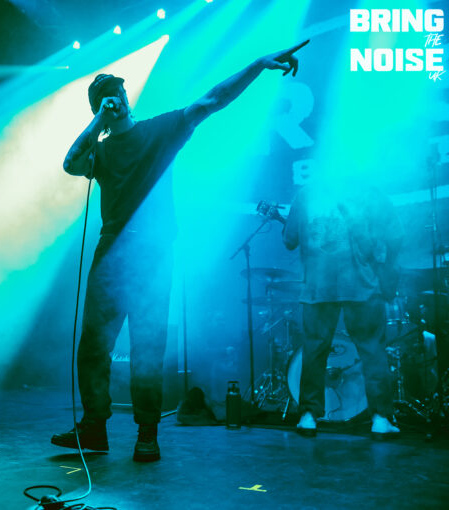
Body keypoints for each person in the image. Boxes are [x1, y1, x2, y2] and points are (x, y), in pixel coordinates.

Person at [51, 40, 309, 461]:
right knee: (93, 345)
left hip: (152, 256)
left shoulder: (159, 130)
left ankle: (147, 433)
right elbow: (70, 163)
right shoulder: (101, 149)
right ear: (100, 106)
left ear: (127, 96)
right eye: (106, 96)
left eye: (118, 91)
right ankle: (94, 427)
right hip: (111, 254)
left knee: (148, 345)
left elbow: (211, 101)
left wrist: (257, 64)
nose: (116, 98)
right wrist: (98, 120)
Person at [282, 176, 402, 438]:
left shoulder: (306, 193)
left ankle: (308, 416)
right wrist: (386, 268)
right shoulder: (369, 189)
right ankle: (380, 419)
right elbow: (395, 235)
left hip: (318, 287)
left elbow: (289, 239)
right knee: (372, 350)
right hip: (362, 286)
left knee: (314, 350)